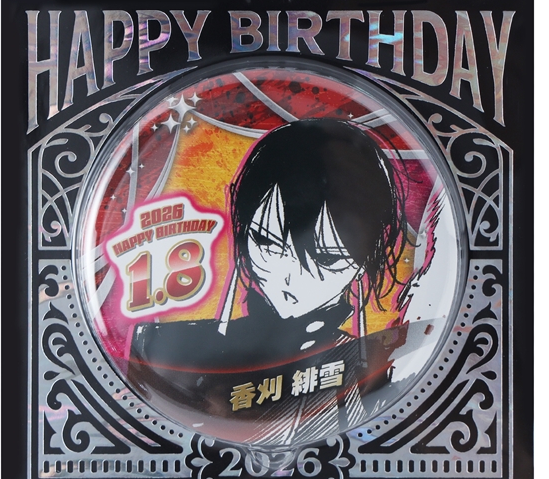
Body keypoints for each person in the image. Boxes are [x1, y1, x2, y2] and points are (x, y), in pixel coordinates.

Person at [127, 118, 414, 447]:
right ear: (243, 229)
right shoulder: (163, 349)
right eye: (266, 243)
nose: (289, 277)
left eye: (327, 260)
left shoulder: (384, 364)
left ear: (368, 257)